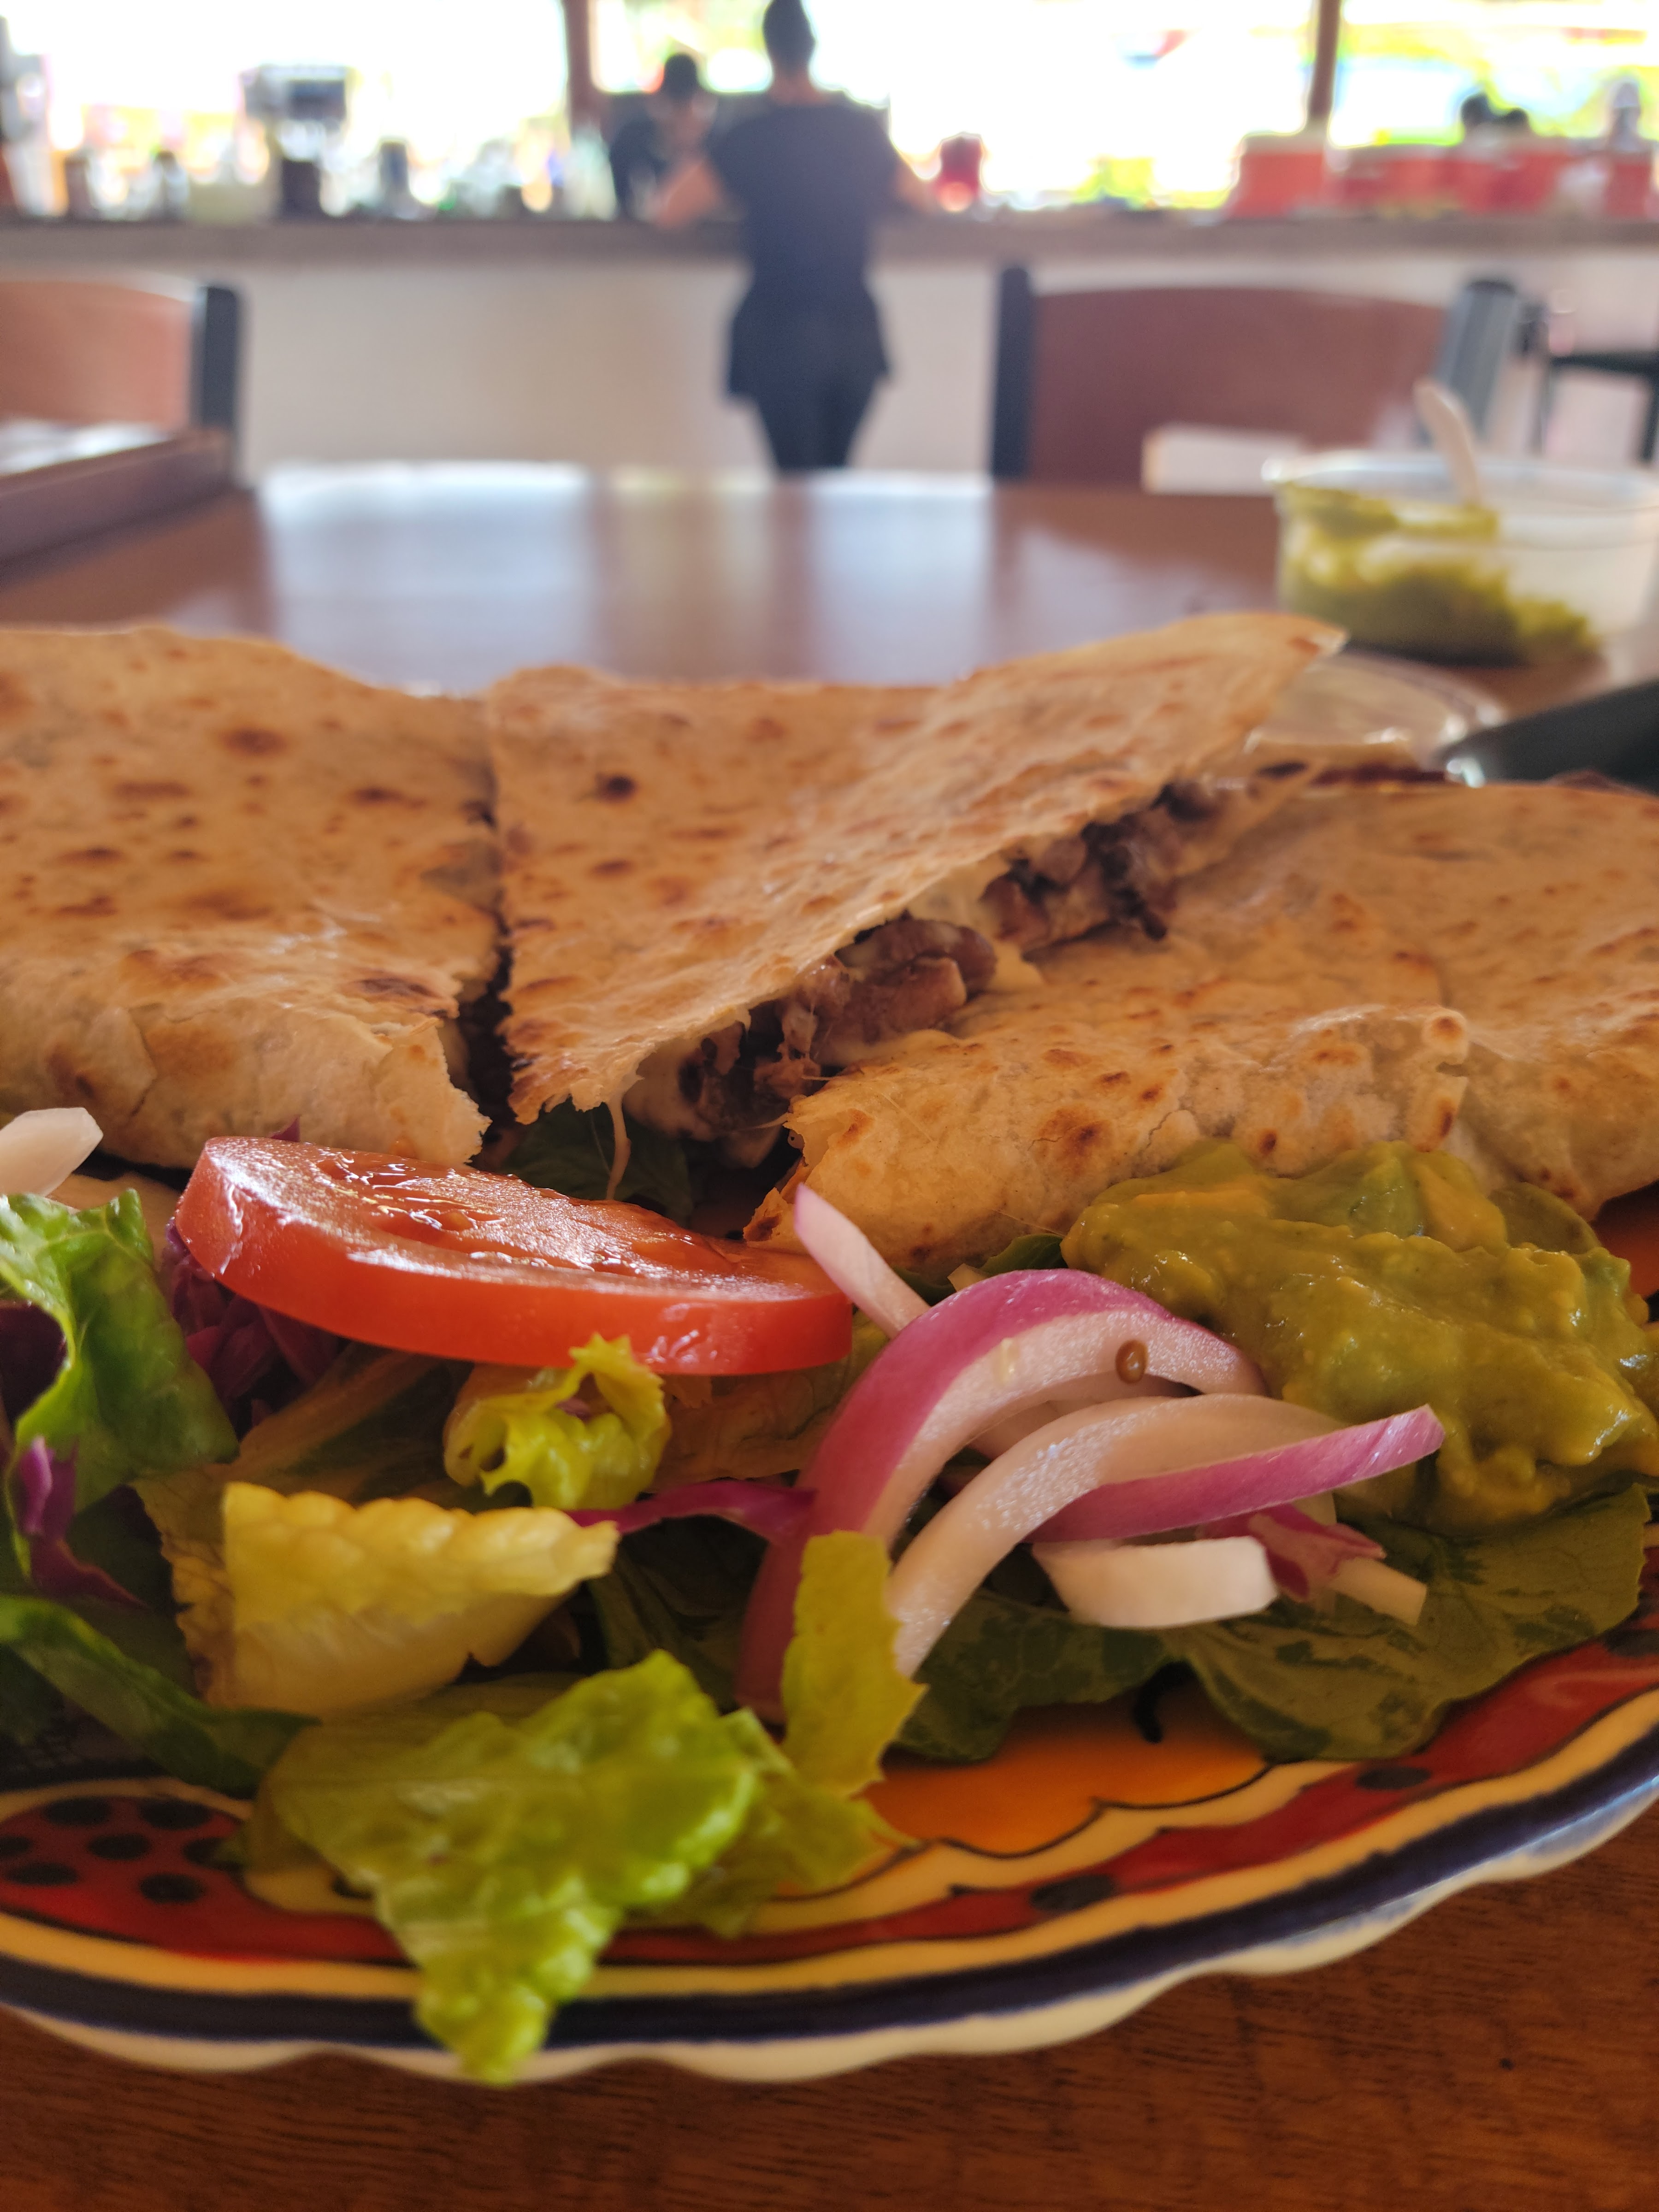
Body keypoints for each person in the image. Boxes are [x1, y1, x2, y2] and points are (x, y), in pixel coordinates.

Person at [653, 0, 933, 472]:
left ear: (769, 51)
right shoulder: (859, 130)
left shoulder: (752, 135)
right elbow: (922, 200)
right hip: (855, 336)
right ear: (813, 47)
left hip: (781, 336)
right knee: (831, 484)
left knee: (797, 491)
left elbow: (669, 209)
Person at [608, 52, 714, 220]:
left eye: (686, 108)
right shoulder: (630, 141)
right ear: (656, 102)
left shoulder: (717, 145)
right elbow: (623, 207)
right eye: (674, 106)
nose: (680, 117)